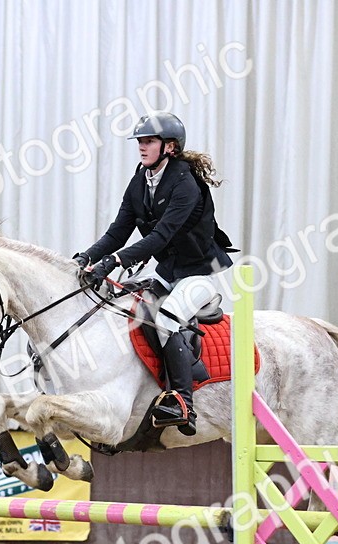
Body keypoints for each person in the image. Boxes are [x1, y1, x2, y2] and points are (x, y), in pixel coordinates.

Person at [74, 112, 234, 436]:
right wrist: (85, 258)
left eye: (148, 141)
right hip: (167, 273)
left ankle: (182, 402)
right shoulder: (141, 180)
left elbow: (160, 236)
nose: (141, 147)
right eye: (140, 142)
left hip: (199, 274)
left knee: (166, 320)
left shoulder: (186, 183)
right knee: (124, 308)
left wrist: (115, 261)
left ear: (170, 147)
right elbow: (117, 232)